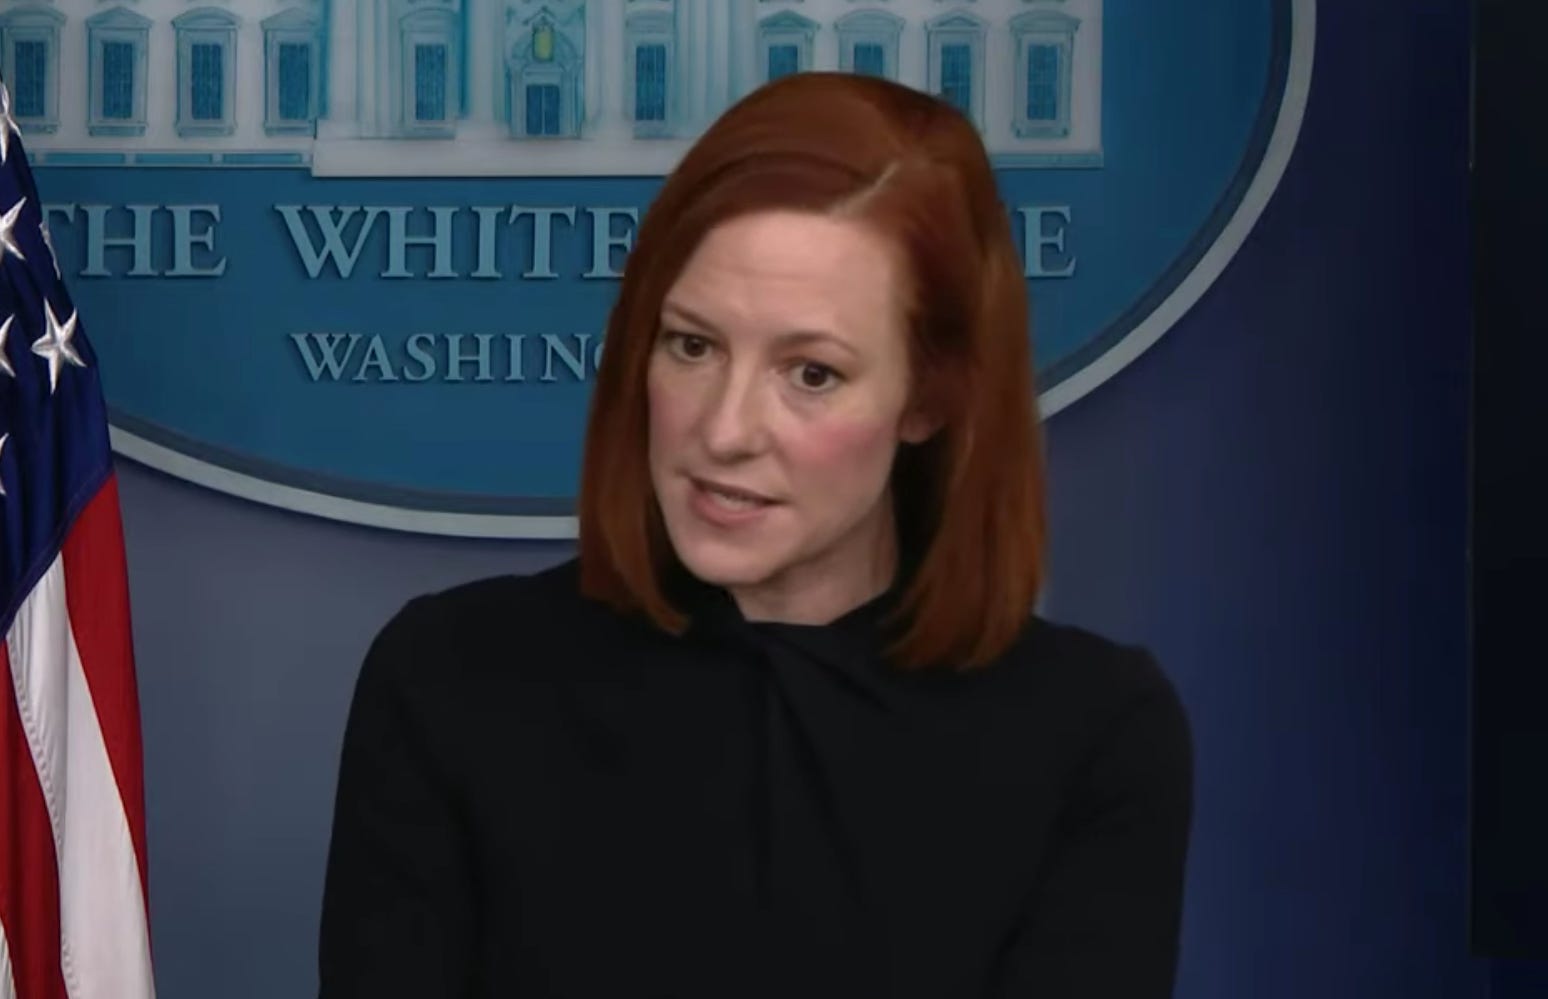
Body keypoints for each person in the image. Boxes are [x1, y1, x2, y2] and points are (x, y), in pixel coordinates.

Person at [316, 71, 1193, 998]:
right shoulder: (451, 677)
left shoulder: (1094, 735)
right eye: (692, 345)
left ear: (930, 398)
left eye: (811, 373)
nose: (725, 429)